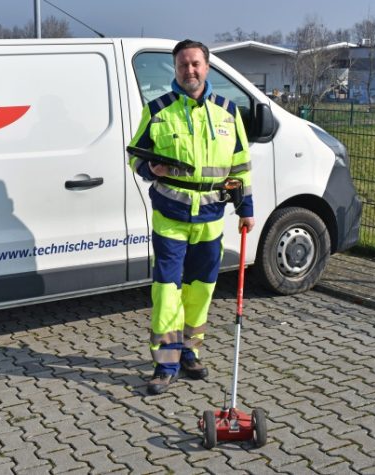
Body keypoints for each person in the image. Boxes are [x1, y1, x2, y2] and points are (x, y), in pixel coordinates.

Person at [128, 40, 254, 395]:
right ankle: (165, 364)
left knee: (201, 289)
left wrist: (247, 209)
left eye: (196, 64)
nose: (190, 70)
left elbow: (241, 165)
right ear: (176, 69)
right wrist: (149, 166)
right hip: (170, 215)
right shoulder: (157, 110)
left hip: (212, 217)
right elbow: (134, 155)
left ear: (207, 67)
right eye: (183, 65)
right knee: (167, 291)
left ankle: (190, 352)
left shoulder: (228, 112)